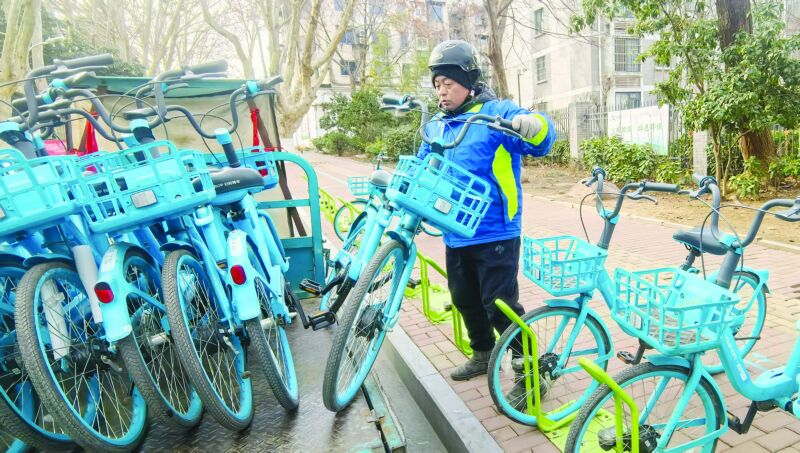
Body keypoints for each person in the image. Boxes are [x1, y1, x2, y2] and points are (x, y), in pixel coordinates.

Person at [417, 40, 555, 384]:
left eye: (449, 83)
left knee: (499, 304)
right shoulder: (437, 125)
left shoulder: (496, 113)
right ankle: (482, 354)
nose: (442, 91)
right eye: (437, 84)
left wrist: (533, 125)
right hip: (455, 230)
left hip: (496, 230)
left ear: (468, 82)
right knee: (464, 299)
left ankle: (528, 367)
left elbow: (541, 136)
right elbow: (423, 167)